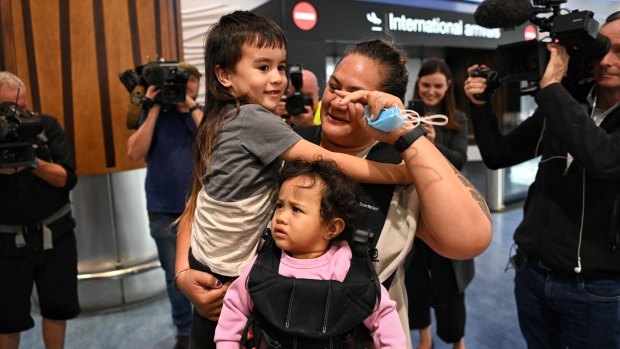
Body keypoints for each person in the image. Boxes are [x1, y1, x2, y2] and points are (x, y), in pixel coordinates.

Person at [174, 11, 425, 349]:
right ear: (224, 75)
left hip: (211, 265)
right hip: (231, 278)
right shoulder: (254, 120)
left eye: (280, 67)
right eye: (263, 68)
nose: (277, 78)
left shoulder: (221, 120)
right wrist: (398, 172)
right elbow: (328, 160)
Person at [463, 12, 620, 348]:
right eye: (601, 49)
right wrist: (480, 106)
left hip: (597, 290)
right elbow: (498, 154)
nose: (606, 61)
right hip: (532, 275)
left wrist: (552, 89)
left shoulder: (558, 100)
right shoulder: (566, 103)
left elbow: (604, 160)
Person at [214, 159, 406, 348]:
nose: (281, 217)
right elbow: (235, 307)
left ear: (332, 228)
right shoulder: (264, 265)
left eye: (296, 209)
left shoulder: (346, 268)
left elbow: (383, 314)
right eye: (280, 205)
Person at [0, 72, 80, 349]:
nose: (11, 115)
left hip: (55, 235)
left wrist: (33, 162)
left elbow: (67, 178)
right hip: (6, 244)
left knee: (57, 309)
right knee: (7, 320)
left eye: (16, 108)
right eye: (3, 109)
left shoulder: (45, 127)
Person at [126, 62, 203, 349]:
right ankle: (184, 331)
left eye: (190, 81)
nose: (185, 86)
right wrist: (154, 107)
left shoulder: (202, 113)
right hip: (162, 207)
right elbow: (134, 151)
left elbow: (214, 144)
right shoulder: (152, 112)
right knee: (175, 276)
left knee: (207, 271)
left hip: (199, 210)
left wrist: (191, 107)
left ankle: (206, 327)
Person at [405, 58, 473, 349]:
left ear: (447, 88)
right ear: (418, 85)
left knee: (451, 284)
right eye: (426, 85)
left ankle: (457, 339)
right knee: (415, 280)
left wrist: (431, 143)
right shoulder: (406, 114)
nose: (431, 91)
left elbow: (460, 160)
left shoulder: (457, 119)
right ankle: (423, 338)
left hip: (448, 210)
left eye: (437, 86)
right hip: (414, 210)